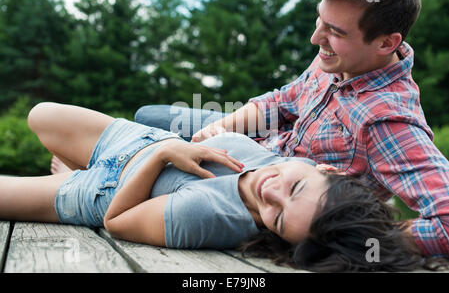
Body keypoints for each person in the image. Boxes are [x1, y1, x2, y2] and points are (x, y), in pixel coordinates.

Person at [134, 0, 449, 258]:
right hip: (259, 147)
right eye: (320, 21)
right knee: (150, 116)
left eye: (334, 32)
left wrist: (355, 239)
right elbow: (282, 102)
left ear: (386, 43)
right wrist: (219, 127)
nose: (316, 39)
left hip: (266, 197)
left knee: (140, 157)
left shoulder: (388, 121)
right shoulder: (340, 57)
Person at [0, 102, 424, 272]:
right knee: (39, 115)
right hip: (136, 140)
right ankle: (69, 169)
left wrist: (166, 158)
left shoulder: (208, 218)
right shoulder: (285, 160)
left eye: (274, 215)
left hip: (102, 192)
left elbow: (118, 221)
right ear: (325, 169)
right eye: (293, 187)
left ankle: (66, 181)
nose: (268, 191)